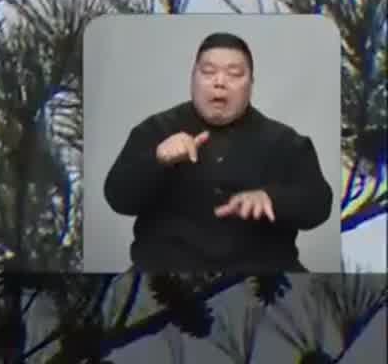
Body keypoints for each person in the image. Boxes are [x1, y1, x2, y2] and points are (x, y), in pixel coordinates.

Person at [101, 31, 335, 273]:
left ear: (251, 84)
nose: (219, 82)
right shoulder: (156, 129)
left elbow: (319, 205)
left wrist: (272, 198)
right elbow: (117, 197)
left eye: (234, 74)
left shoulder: (285, 142)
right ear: (193, 78)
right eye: (208, 72)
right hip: (164, 280)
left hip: (262, 282)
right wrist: (158, 160)